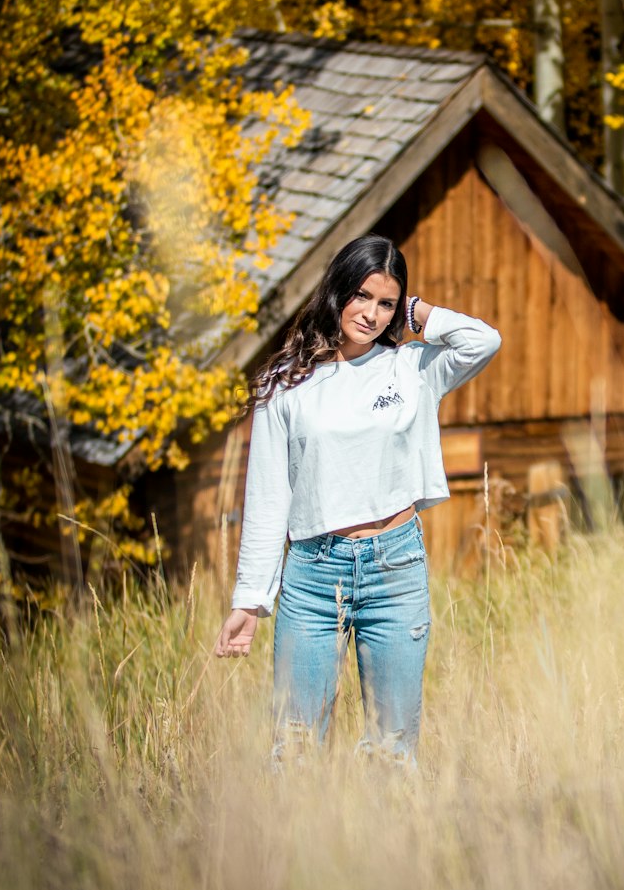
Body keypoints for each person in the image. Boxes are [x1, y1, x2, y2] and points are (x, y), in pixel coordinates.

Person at [214, 233, 501, 765]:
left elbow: (482, 341)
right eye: (362, 296)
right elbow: (267, 499)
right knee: (296, 749)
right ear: (337, 291)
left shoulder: (412, 369)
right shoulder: (286, 385)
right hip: (313, 575)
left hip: (395, 566)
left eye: (386, 302)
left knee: (392, 751)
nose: (371, 314)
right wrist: (250, 601)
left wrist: (417, 311)